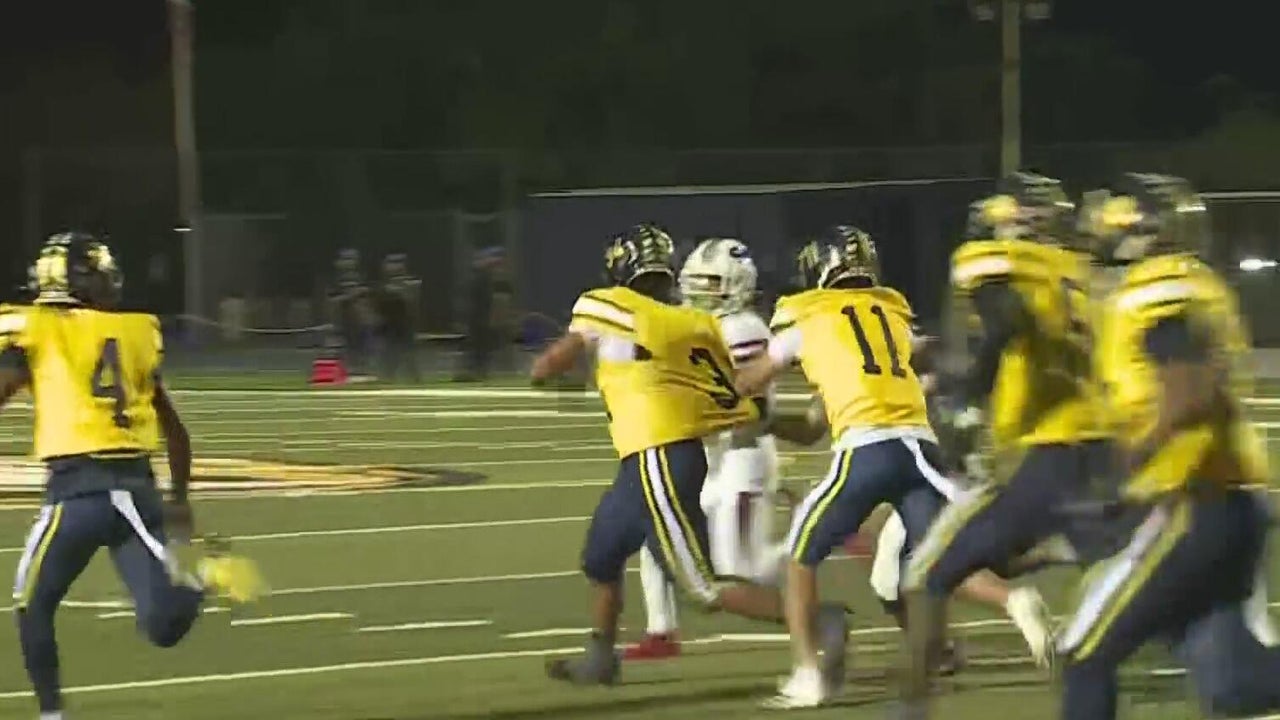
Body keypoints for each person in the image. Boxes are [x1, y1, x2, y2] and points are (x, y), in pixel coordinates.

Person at [736, 226, 1051, 709]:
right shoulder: (892, 312)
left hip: (866, 448)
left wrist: (716, 387)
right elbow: (912, 356)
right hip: (919, 446)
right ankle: (1012, 600)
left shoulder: (806, 314)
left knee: (800, 558)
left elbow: (751, 381)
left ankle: (808, 674)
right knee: (935, 554)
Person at [530, 223, 847, 689]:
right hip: (652, 459)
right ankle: (601, 656)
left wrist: (549, 370)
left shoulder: (609, 303)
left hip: (658, 454)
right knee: (602, 556)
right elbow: (731, 395)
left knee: (703, 586)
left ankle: (820, 620)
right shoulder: (691, 324)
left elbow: (553, 362)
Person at [1, 232, 265, 720]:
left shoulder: (37, 328)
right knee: (163, 626)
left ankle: (52, 715)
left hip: (78, 492)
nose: (110, 283)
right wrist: (179, 499)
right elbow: (176, 430)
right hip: (136, 490)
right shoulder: (137, 330)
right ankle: (205, 574)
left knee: (31, 605)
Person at [1056, 173, 1280, 720]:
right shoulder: (1198, 283)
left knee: (1083, 652)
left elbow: (1188, 388)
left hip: (1191, 500)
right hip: (1233, 499)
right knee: (1234, 686)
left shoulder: (1158, 288)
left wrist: (1127, 462)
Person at [894, 173, 1111, 718]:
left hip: (1045, 453)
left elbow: (1007, 318)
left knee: (922, 578)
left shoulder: (999, 262)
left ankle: (911, 713)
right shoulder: (1076, 270)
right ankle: (1059, 545)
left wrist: (970, 393)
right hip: (1106, 449)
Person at [627, 236, 786, 660]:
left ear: (737, 284)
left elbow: (750, 403)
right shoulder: (690, 323)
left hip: (741, 458)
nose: (698, 292)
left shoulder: (743, 328)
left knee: (742, 571)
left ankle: (813, 545)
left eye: (710, 283)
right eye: (694, 281)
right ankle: (661, 632)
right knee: (659, 532)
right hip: (707, 456)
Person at [373, 253, 420, 382]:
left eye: (398, 262)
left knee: (409, 361)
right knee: (387, 364)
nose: (395, 266)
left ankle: (414, 383)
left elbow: (412, 303)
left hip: (405, 329)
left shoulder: (411, 283)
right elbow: (377, 307)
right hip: (387, 330)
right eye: (391, 263)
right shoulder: (381, 286)